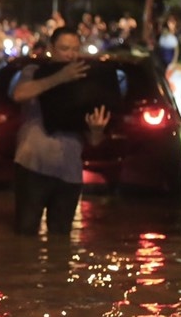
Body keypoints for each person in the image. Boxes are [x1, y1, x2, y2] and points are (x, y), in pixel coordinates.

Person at [9, 27, 111, 236]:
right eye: (64, 49)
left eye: (75, 49)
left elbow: (93, 141)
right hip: (33, 165)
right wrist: (60, 78)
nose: (70, 54)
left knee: (61, 240)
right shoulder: (34, 72)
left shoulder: (86, 81)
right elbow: (19, 94)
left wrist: (96, 129)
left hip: (69, 172)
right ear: (51, 50)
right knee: (25, 234)